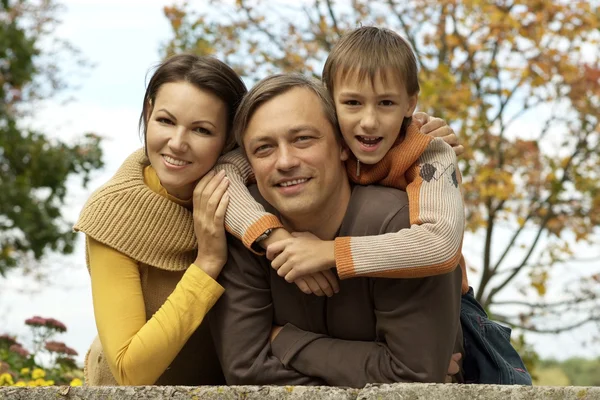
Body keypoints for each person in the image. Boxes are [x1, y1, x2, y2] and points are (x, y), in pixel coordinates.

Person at [209, 74, 465, 387]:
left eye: (303, 139)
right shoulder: (244, 232)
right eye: (264, 148)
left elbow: (412, 378)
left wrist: (284, 340)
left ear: (344, 146)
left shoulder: (404, 225)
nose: (285, 161)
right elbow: (246, 372)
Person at [216, 26, 468, 297]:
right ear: (330, 102)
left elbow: (441, 244)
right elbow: (223, 172)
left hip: (440, 301)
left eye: (386, 103)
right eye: (352, 103)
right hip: (351, 295)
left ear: (410, 104)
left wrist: (328, 252)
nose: (369, 122)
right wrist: (274, 237)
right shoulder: (331, 141)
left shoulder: (430, 152)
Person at [74, 54, 247, 385]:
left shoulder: (246, 202)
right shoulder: (113, 214)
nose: (178, 143)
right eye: (166, 121)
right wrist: (208, 261)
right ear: (148, 113)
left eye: (201, 129)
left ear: (228, 139)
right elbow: (130, 371)